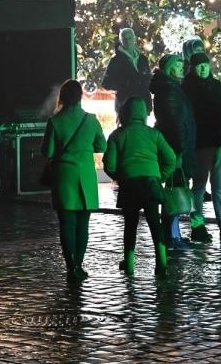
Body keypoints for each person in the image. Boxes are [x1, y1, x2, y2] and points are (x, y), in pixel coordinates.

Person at [41, 79, 106, 282]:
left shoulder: (55, 121)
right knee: (83, 224)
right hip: (85, 176)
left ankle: (70, 266)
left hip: (64, 176)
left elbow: (48, 151)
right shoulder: (91, 120)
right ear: (80, 96)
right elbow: (101, 146)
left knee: (66, 223)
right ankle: (79, 263)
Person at [102, 96, 175, 276]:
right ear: (143, 113)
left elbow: (109, 165)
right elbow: (171, 159)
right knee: (154, 223)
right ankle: (162, 262)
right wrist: (160, 177)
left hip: (130, 185)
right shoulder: (154, 134)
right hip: (151, 183)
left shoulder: (117, 135)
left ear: (125, 113)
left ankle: (129, 263)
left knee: (130, 225)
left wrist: (121, 177)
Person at [181, 51, 221, 240]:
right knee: (199, 186)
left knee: (219, 185)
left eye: (205, 65)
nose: (203, 68)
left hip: (218, 140)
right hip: (200, 142)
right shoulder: (187, 87)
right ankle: (197, 223)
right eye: (199, 65)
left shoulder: (216, 85)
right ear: (193, 67)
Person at [149, 54, 197, 251]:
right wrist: (178, 149)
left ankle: (174, 234)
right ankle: (171, 236)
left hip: (179, 146)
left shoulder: (172, 88)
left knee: (174, 190)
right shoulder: (169, 90)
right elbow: (173, 123)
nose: (181, 67)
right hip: (176, 148)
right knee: (172, 191)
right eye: (177, 64)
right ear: (169, 68)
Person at [101, 28, 152, 114]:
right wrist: (125, 84)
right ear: (121, 41)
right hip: (125, 106)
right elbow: (106, 83)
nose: (128, 41)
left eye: (130, 38)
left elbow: (147, 78)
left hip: (143, 105)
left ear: (134, 39)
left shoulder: (143, 59)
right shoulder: (116, 61)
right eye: (124, 39)